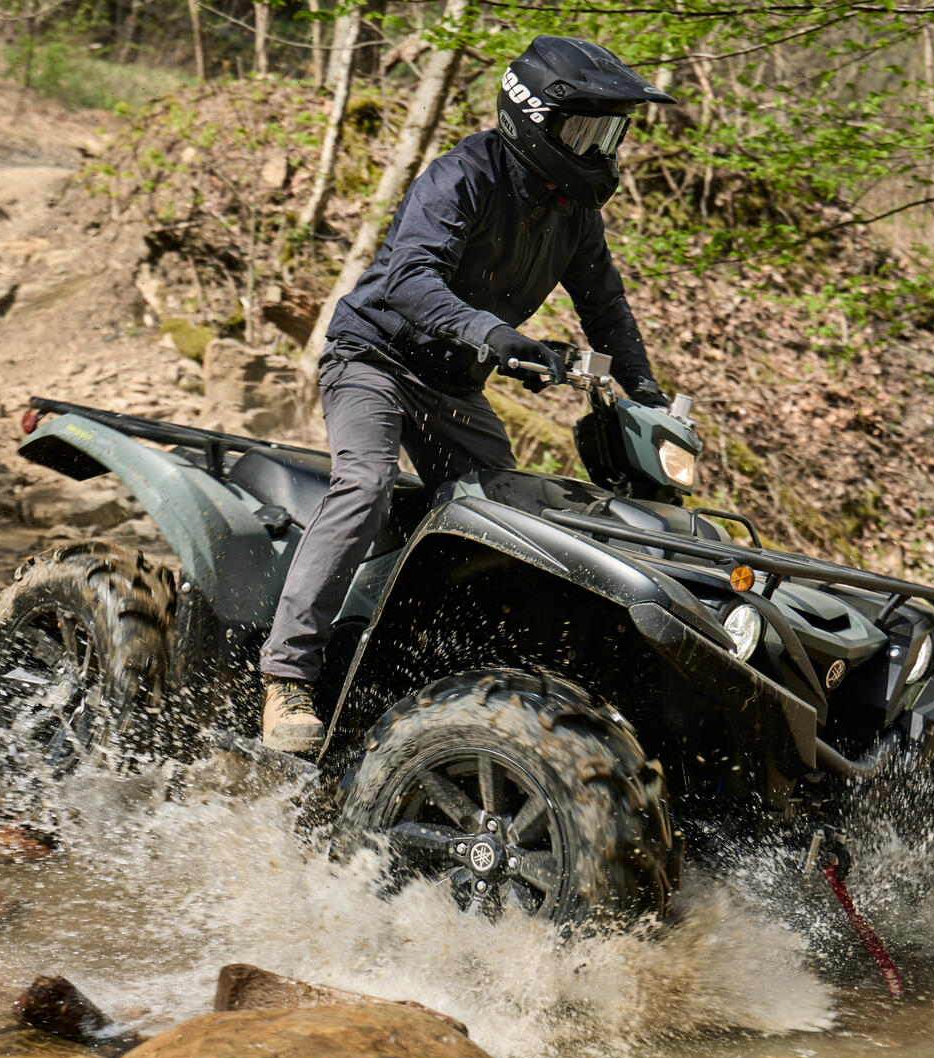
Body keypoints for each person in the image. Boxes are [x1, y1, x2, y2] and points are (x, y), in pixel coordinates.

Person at [259, 35, 677, 754]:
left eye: (609, 134)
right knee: (366, 483)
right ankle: (287, 675)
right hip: (373, 359)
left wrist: (646, 393)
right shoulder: (463, 176)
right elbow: (409, 278)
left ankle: (417, 668)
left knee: (503, 522)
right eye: (585, 131)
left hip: (453, 384)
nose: (599, 148)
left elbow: (606, 307)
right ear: (534, 120)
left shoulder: (575, 213)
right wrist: (492, 333)